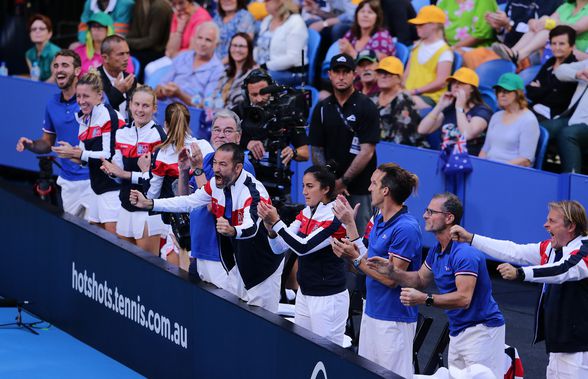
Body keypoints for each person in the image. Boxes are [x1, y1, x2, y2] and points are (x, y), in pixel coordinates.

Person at [130, 143, 284, 313]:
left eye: (223, 165)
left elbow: (251, 227)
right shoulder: (216, 185)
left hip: (263, 269)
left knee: (260, 328)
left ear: (238, 167)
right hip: (238, 265)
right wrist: (150, 203)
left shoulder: (254, 192)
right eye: (215, 163)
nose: (216, 169)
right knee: (234, 321)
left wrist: (233, 230)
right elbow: (188, 202)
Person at [367, 192, 506, 379]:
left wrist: (425, 299)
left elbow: (464, 299)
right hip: (458, 330)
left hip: (482, 332)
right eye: (426, 211)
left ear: (449, 218)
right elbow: (420, 280)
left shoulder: (464, 254)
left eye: (431, 212)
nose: (425, 215)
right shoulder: (437, 250)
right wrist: (392, 272)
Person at [450, 200, 588, 379]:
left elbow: (563, 270)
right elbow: (513, 250)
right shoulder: (552, 248)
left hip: (579, 349)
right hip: (560, 345)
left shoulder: (585, 249)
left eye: (552, 221)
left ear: (571, 226)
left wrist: (520, 273)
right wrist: (472, 239)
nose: (545, 224)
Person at [330, 163, 422, 378]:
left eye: (373, 183)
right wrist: (350, 234)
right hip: (371, 311)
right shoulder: (378, 220)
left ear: (385, 190)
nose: (369, 188)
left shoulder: (406, 228)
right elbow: (366, 262)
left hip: (394, 320)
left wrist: (354, 259)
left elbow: (391, 278)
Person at [258, 164, 349, 346]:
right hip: (305, 294)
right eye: (303, 186)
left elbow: (303, 247)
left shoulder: (334, 217)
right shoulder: (307, 212)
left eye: (310, 186)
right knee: (303, 352)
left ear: (325, 189)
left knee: (326, 360)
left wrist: (277, 222)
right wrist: (270, 230)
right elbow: (279, 248)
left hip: (328, 299)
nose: (304, 192)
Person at [176, 110, 253, 288]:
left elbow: (213, 205)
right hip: (198, 250)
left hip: (221, 257)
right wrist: (183, 171)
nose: (221, 135)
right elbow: (187, 201)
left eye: (227, 130)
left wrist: (197, 170)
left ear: (238, 136)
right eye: (217, 129)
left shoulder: (242, 166)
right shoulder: (208, 159)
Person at [16, 49, 92, 218]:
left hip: (93, 181)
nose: (59, 70)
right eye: (56, 66)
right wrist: (31, 145)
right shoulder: (52, 103)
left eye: (65, 65)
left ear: (78, 71)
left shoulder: (93, 100)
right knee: (75, 236)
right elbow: (47, 143)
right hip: (67, 181)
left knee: (97, 236)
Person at [310, 53, 380, 234]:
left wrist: (343, 182)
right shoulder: (322, 108)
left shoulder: (366, 106)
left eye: (346, 72)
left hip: (361, 187)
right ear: (330, 74)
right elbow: (316, 149)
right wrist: (330, 182)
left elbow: (367, 151)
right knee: (326, 239)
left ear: (353, 74)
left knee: (360, 239)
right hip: (329, 188)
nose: (341, 76)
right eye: (337, 72)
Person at [52, 71, 125, 234]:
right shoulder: (83, 117)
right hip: (95, 187)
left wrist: (78, 154)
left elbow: (109, 156)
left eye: (86, 96)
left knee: (114, 243)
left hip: (114, 189)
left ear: (99, 96)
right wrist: (69, 154)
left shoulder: (110, 117)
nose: (81, 101)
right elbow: (84, 157)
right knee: (96, 240)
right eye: (78, 96)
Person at [100, 86, 167, 255]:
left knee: (148, 265)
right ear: (130, 105)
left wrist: (123, 174)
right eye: (136, 104)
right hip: (124, 205)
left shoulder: (159, 136)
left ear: (154, 108)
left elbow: (156, 179)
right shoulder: (122, 132)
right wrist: (111, 171)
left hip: (147, 210)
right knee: (124, 262)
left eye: (145, 106)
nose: (140, 110)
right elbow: (118, 170)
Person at [144, 102, 214, 265]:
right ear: (188, 123)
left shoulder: (162, 154)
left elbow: (151, 195)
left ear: (166, 125)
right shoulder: (204, 147)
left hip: (179, 224)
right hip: (205, 220)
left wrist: (144, 171)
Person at [232, 69, 310, 201]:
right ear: (246, 94)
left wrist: (293, 152)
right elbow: (222, 141)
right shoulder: (238, 113)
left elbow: (305, 153)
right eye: (254, 95)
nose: (259, 99)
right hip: (244, 186)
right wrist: (247, 143)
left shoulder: (286, 113)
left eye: (264, 93)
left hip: (279, 185)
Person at [418, 67, 493, 156]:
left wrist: (459, 107)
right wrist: (439, 106)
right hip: (444, 158)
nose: (456, 86)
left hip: (467, 161)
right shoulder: (449, 109)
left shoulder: (482, 111)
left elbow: (467, 134)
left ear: (472, 89)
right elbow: (422, 130)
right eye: (454, 82)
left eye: (461, 83)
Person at [492, 0, 588, 65]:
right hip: (553, 47)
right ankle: (513, 52)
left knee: (549, 30)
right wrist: (535, 22)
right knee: (538, 27)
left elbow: (576, 28)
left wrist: (552, 23)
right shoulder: (566, 6)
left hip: (574, 50)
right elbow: (550, 20)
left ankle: (519, 55)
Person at [155, 22, 223, 108]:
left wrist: (180, 95)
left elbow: (207, 105)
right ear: (194, 39)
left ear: (216, 44)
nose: (202, 43)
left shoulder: (218, 69)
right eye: (200, 38)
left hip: (192, 114)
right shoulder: (183, 56)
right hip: (166, 106)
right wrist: (163, 90)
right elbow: (160, 86)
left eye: (208, 40)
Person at [480, 73, 540, 166]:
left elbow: (525, 160)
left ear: (518, 93)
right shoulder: (496, 116)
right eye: (499, 91)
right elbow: (485, 149)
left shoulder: (529, 120)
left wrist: (497, 168)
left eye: (507, 90)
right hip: (490, 168)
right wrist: (480, 166)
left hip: (511, 172)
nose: (501, 94)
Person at [541, 57, 588, 173]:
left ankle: (573, 184)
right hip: (572, 118)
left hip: (585, 124)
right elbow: (560, 71)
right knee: (539, 129)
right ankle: (530, 170)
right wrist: (577, 74)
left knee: (567, 134)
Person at [142, 0, 212, 78]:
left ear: (190, 2)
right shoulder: (178, 14)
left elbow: (192, 53)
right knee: (149, 68)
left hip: (193, 62)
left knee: (154, 71)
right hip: (177, 57)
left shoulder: (201, 18)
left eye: (181, 3)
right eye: (174, 4)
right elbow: (169, 49)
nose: (178, 8)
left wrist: (173, 54)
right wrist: (180, 29)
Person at [404, 5, 453, 109]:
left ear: (434, 25)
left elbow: (441, 82)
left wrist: (414, 91)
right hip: (408, 93)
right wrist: (400, 89)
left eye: (421, 24)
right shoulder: (416, 46)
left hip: (430, 97)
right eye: (417, 25)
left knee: (401, 104)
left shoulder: (444, 51)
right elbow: (406, 74)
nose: (417, 27)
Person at [527, 25, 578, 121]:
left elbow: (558, 100)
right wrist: (550, 89)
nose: (557, 47)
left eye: (562, 44)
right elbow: (530, 90)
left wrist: (541, 89)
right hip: (535, 109)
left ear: (572, 46)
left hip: (553, 116)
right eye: (554, 43)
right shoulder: (550, 62)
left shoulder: (574, 67)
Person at [372, 56, 424, 146]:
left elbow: (402, 139)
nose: (383, 76)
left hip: (400, 151)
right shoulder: (372, 99)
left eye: (388, 73)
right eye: (380, 73)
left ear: (399, 78)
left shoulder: (405, 101)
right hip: (375, 147)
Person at [255, 0, 309, 86]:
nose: (264, 2)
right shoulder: (267, 19)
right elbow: (258, 47)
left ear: (280, 1)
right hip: (264, 69)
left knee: (256, 80)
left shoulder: (296, 21)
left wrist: (264, 66)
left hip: (291, 73)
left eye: (268, 0)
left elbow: (293, 58)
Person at [126, 0, 173, 82]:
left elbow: (153, 40)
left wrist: (126, 42)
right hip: (141, 47)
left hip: (156, 51)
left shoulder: (160, 7)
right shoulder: (140, 3)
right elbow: (134, 32)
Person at [485, 0, 563, 48]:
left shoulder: (550, 2)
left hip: (532, 51)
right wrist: (499, 27)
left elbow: (538, 29)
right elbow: (504, 36)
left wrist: (509, 24)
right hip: (507, 47)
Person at [97, 34, 137, 122]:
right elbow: (97, 113)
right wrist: (118, 92)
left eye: (127, 53)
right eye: (121, 54)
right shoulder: (94, 80)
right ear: (105, 58)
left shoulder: (130, 79)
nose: (126, 58)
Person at [215, 32, 256, 109]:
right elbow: (215, 94)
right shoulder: (226, 71)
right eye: (234, 45)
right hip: (217, 114)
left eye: (242, 46)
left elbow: (240, 105)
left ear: (249, 49)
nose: (237, 49)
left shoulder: (253, 75)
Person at [25, 14, 61, 82]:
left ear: (50, 34)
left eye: (41, 29)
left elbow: (54, 79)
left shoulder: (56, 52)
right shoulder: (29, 54)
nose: (37, 31)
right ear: (30, 34)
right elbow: (33, 78)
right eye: (33, 29)